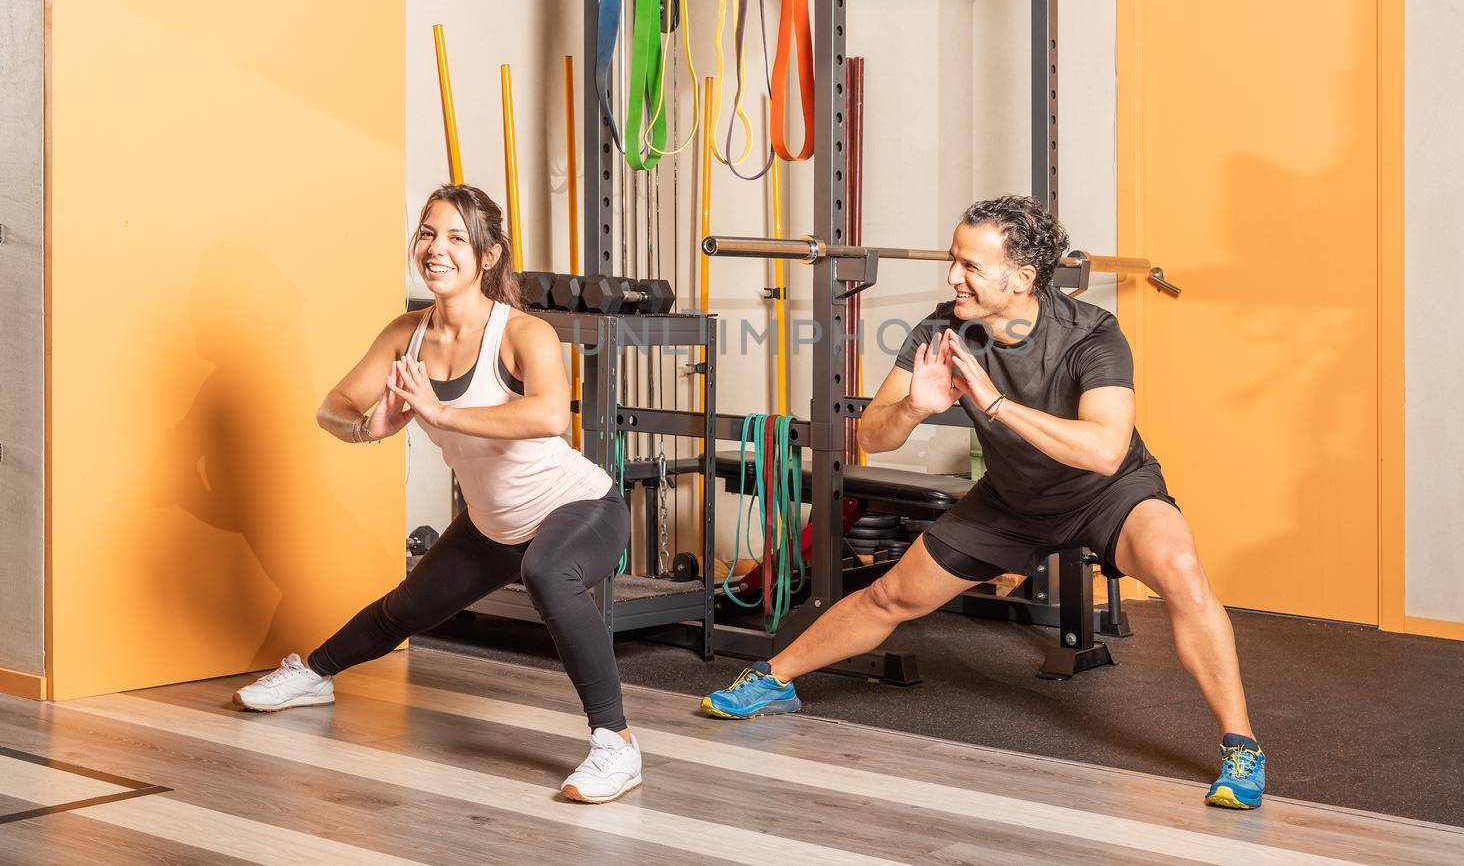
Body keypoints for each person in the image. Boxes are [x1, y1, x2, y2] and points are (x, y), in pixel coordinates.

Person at [701, 195, 1267, 809]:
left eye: (969, 266)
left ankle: (1241, 745)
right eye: (953, 260)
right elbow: (869, 438)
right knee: (893, 594)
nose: (952, 277)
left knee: (1182, 573)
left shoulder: (1091, 334)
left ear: (1023, 277)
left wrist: (993, 403)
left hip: (1108, 494)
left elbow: (1105, 450)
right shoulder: (943, 331)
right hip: (1012, 499)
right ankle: (775, 679)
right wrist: (915, 405)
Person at [234, 184, 641, 805]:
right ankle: (313, 676)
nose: (436, 248)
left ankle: (617, 742)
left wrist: (440, 415)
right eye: (427, 233)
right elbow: (332, 407)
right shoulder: (407, 333)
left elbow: (551, 415)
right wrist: (371, 427)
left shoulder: (522, 332)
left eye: (456, 237)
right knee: (405, 610)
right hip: (492, 524)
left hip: (580, 508)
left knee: (549, 570)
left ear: (489, 255)